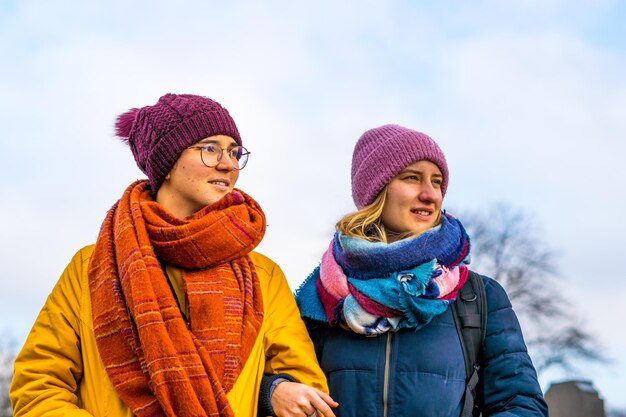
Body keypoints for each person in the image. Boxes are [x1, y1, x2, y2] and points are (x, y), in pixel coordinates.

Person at [10, 93, 336, 417]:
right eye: (210, 148)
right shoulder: (92, 268)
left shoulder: (262, 277)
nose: (228, 163)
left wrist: (271, 392)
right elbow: (38, 383)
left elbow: (306, 391)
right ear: (167, 164)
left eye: (235, 152)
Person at [292, 124, 549, 416]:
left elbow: (520, 405)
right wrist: (272, 391)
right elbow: (277, 385)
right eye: (412, 178)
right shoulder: (321, 298)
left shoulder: (478, 298)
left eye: (437, 182)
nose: (430, 194)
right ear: (376, 190)